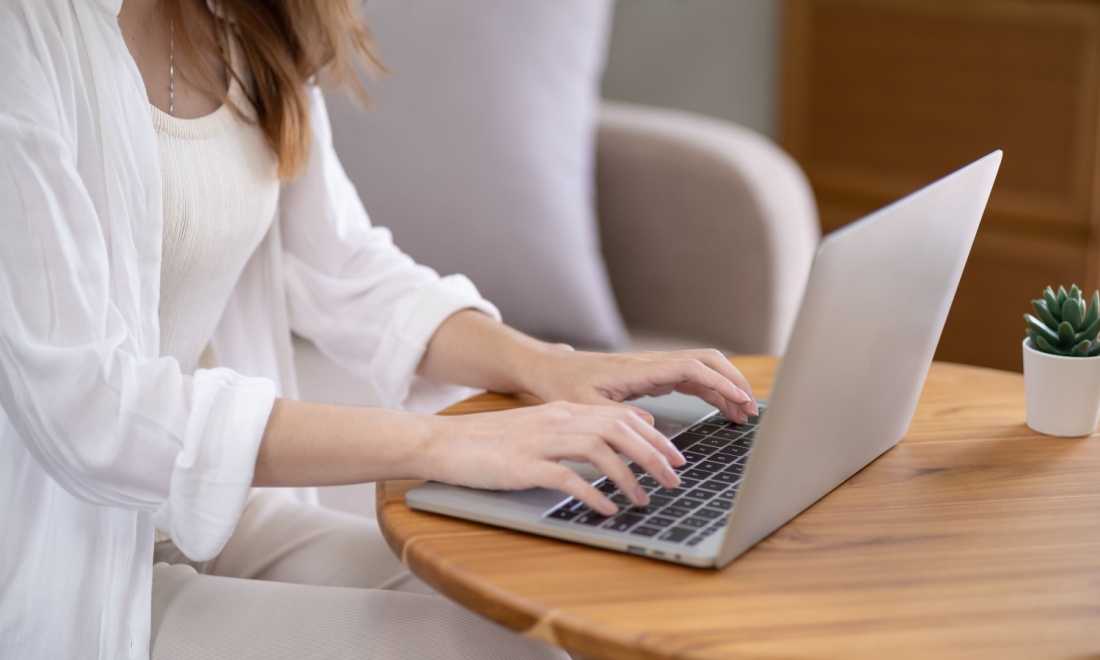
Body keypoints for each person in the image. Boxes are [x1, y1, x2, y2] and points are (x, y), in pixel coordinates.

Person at [0, 0, 758, 658]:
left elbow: (343, 266)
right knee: (481, 651)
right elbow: (91, 414)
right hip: (60, 563)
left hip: (206, 519)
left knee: (543, 615)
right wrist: (444, 442)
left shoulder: (243, 20)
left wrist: (546, 366)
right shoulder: (23, 36)